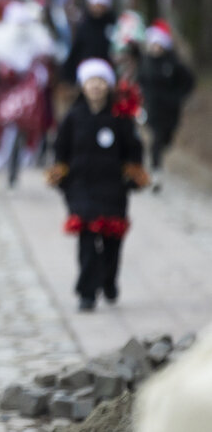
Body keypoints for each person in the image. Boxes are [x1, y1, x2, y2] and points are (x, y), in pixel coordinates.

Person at [46, 58, 148, 312]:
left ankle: (109, 279)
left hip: (113, 188)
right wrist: (60, 172)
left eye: (101, 81)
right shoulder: (73, 117)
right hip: (81, 187)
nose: (96, 86)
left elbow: (134, 150)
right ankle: (87, 292)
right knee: (88, 240)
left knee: (112, 241)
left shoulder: (120, 118)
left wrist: (134, 172)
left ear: (109, 85)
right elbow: (60, 148)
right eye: (91, 81)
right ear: (83, 85)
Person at [137, 19, 195, 191]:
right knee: (156, 138)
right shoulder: (146, 63)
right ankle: (155, 172)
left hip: (170, 110)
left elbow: (188, 81)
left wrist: (179, 97)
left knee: (166, 139)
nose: (155, 48)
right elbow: (141, 82)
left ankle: (158, 157)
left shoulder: (173, 63)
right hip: (152, 108)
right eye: (153, 45)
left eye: (158, 45)